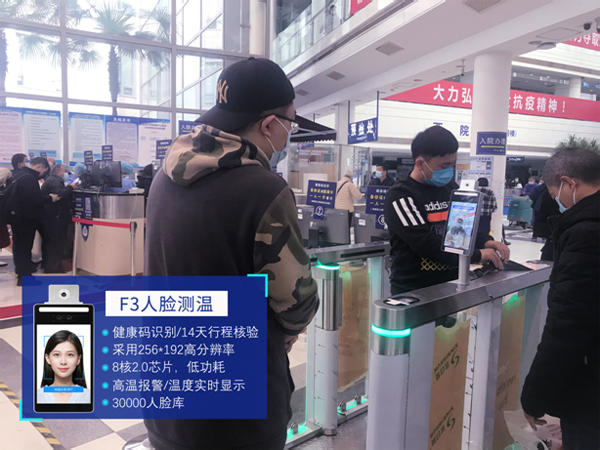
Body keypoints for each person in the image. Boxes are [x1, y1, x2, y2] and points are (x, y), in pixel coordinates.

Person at [145, 57, 319, 449]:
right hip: (238, 409)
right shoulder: (263, 189)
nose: (289, 134)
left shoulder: (163, 178)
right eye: (291, 123)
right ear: (269, 125)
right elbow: (296, 300)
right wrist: (286, 332)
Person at [521, 148, 599, 450]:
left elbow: (568, 327)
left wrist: (534, 397)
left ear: (569, 184)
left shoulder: (586, 234)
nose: (558, 202)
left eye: (556, 194)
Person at [383, 126, 510, 295]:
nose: (449, 170)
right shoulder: (401, 196)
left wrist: (486, 241)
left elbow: (465, 225)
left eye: (452, 164)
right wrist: (478, 255)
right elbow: (426, 245)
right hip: (414, 289)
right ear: (420, 163)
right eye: (444, 166)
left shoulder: (450, 187)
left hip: (453, 283)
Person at [10, 157, 59, 286]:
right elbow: (36, 200)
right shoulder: (29, 178)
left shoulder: (18, 174)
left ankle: (21, 273)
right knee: (24, 248)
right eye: (43, 171)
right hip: (26, 219)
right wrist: (50, 198)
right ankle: (24, 277)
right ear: (39, 167)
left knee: (19, 246)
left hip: (17, 217)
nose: (42, 174)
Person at [40, 164, 77, 273]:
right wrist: (71, 187)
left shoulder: (51, 180)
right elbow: (60, 194)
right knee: (56, 243)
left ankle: (48, 264)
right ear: (58, 172)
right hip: (56, 217)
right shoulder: (55, 181)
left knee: (50, 242)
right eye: (64, 171)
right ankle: (53, 267)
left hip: (51, 216)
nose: (66, 173)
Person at [37, 330, 90, 404]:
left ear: (78, 359)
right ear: (48, 358)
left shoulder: (90, 397)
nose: (63, 362)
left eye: (70, 355)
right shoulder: (35, 397)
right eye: (57, 354)